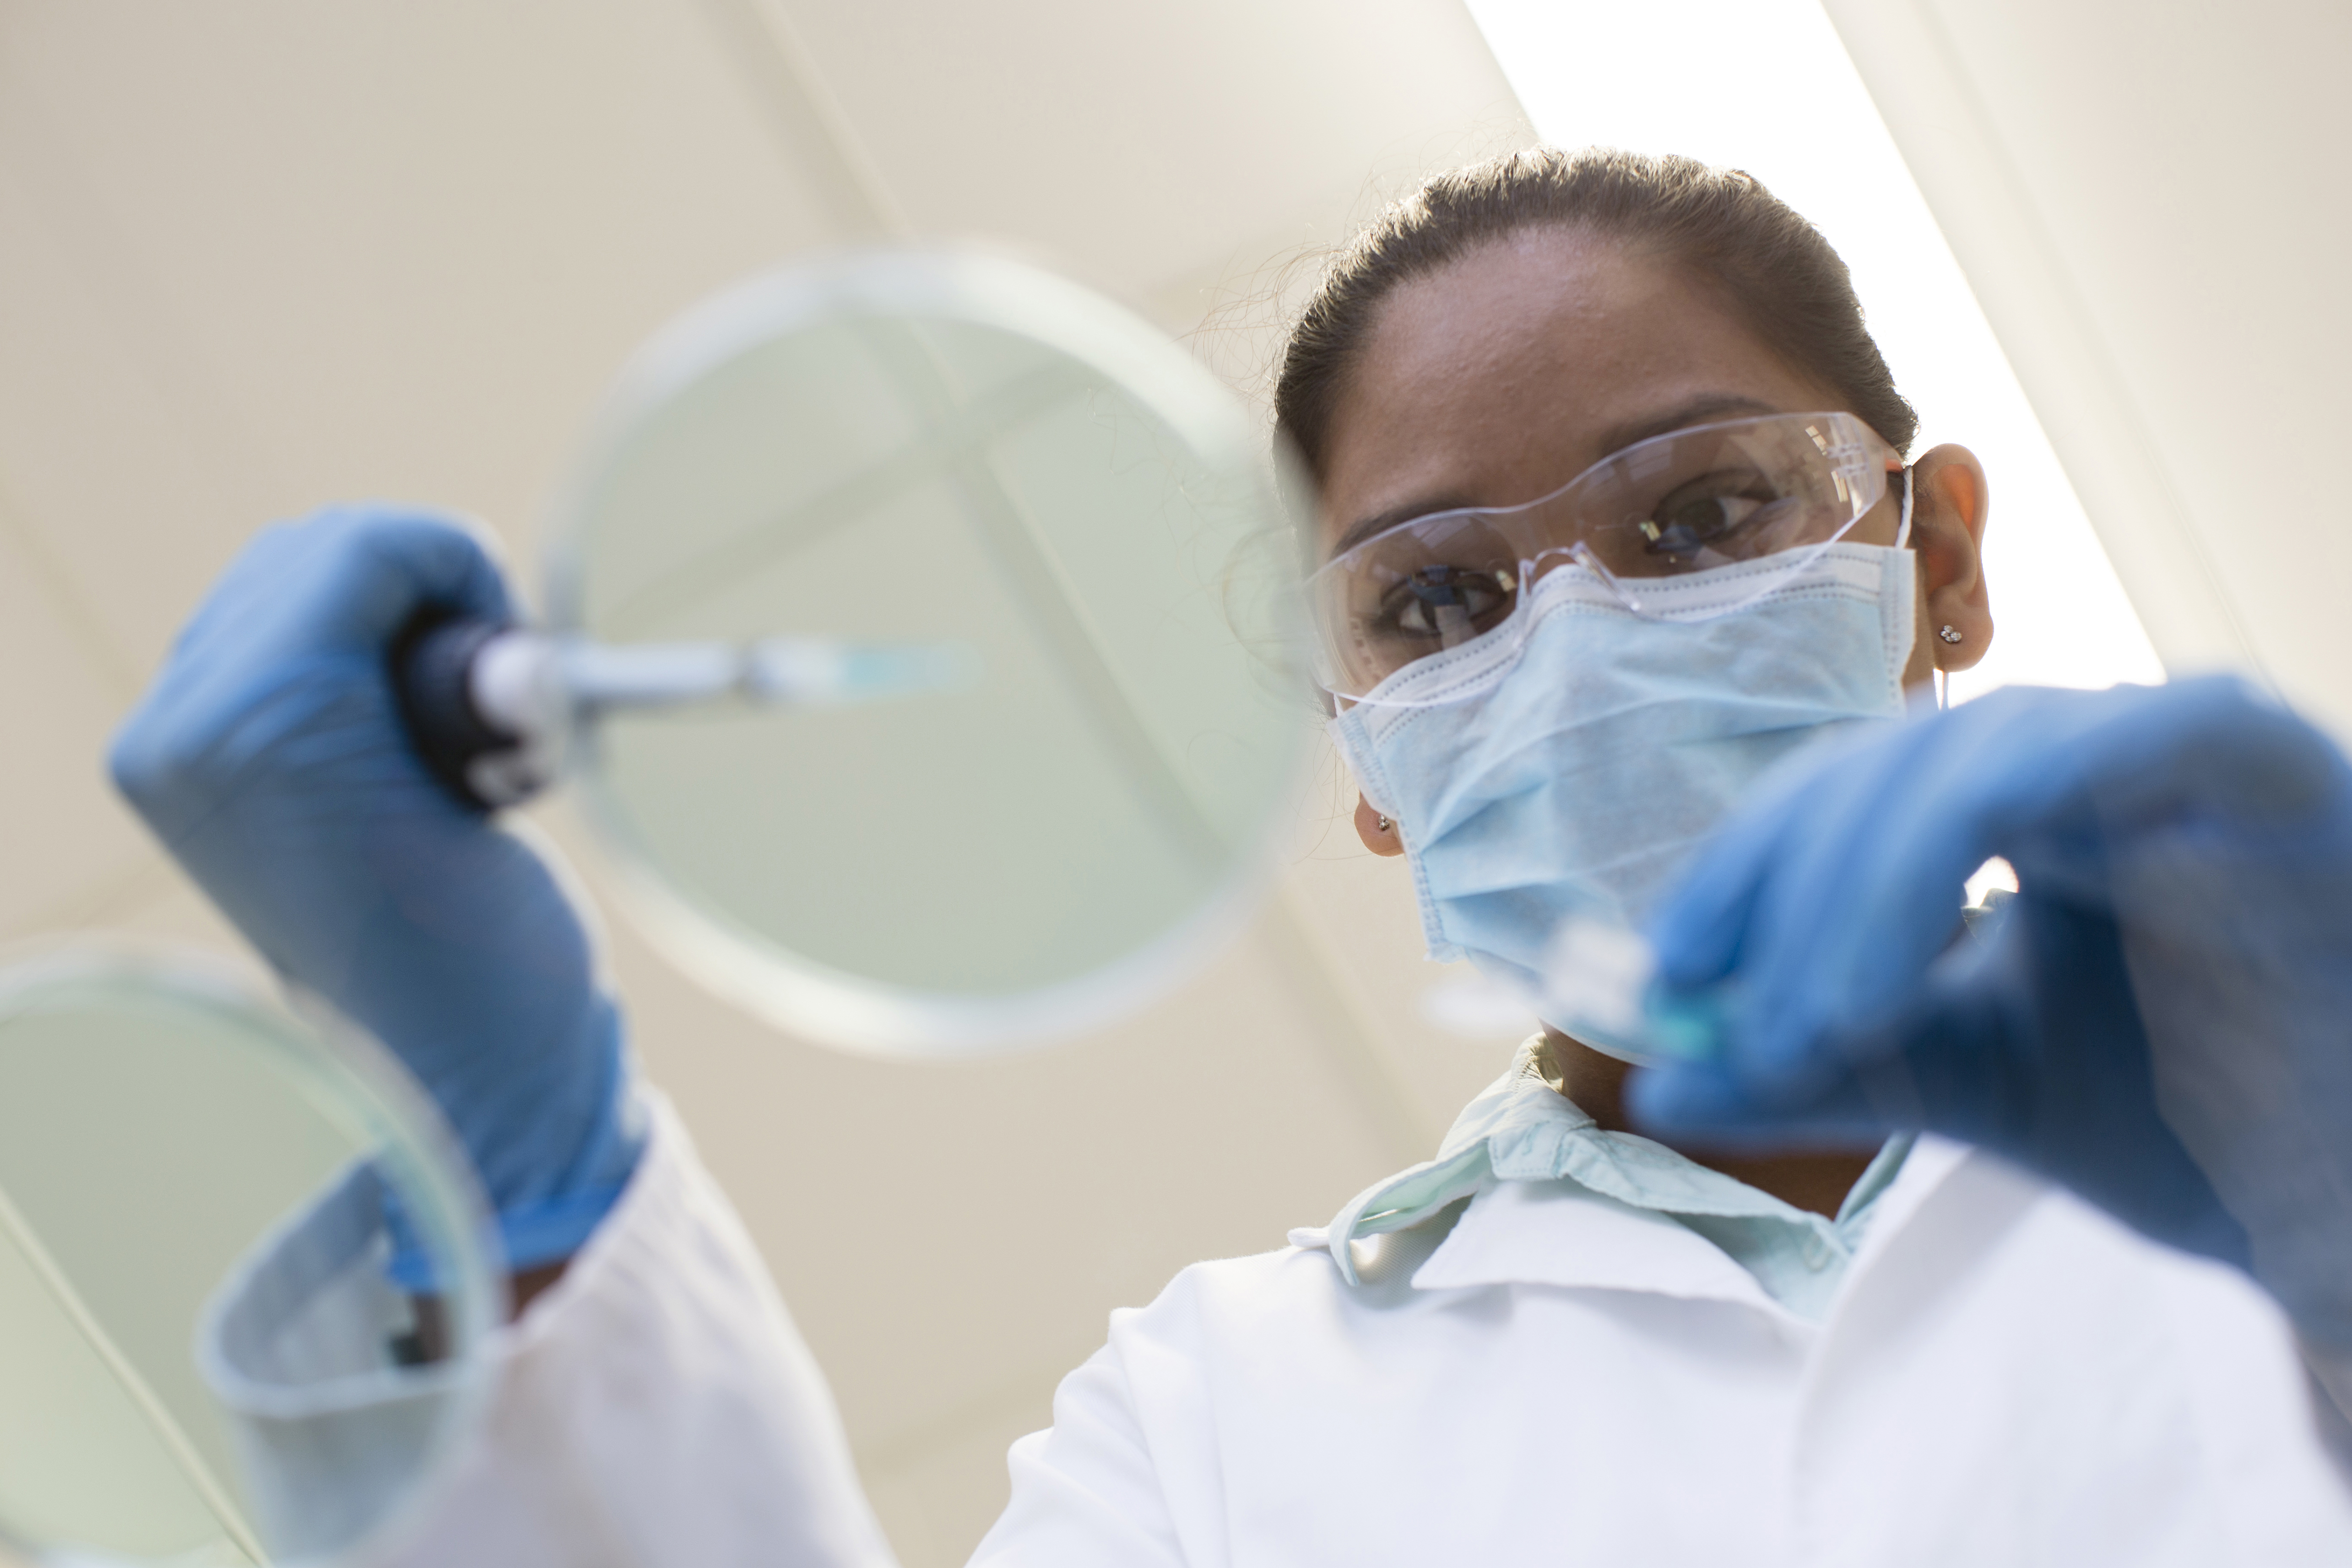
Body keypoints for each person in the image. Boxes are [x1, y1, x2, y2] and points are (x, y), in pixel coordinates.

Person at [109, 148, 2352, 1564]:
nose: (1578, 646)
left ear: (1935, 558)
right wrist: (520, 1203)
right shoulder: (1218, 1428)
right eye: (1438, 601)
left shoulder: (2306, 1092)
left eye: (1698, 513)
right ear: (1362, 752)